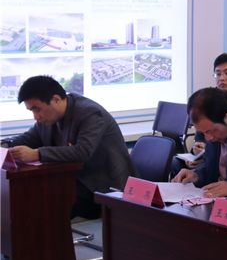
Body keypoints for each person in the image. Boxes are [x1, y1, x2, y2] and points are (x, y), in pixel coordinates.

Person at [4, 75, 136, 219]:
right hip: (73, 177)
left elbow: (83, 151)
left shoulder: (90, 112)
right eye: (32, 111)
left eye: (37, 109)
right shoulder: (48, 118)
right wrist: (6, 144)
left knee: (46, 204)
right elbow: (30, 138)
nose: (36, 116)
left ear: (56, 99)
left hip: (102, 183)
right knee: (29, 196)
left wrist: (37, 154)